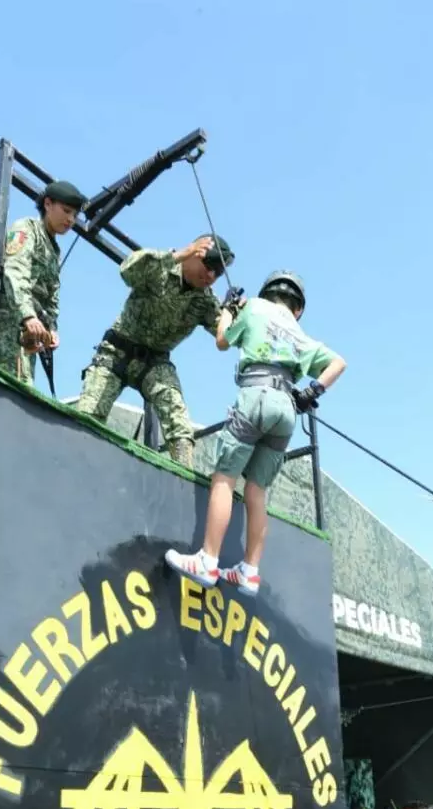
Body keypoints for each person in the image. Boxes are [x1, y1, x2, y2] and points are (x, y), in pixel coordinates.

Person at [164, 271, 346, 597]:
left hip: (256, 396)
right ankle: (249, 572)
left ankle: (208, 560)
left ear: (267, 292)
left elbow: (222, 340)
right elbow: (339, 363)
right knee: (256, 490)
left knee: (224, 477)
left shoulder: (254, 307)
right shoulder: (301, 335)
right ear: (298, 309)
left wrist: (228, 310)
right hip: (287, 409)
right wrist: (312, 391)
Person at [76, 235, 234, 467]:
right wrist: (181, 253)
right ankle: (78, 461)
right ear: (194, 254)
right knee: (89, 414)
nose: (210, 276)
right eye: (208, 266)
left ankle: (183, 477)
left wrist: (233, 313)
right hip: (116, 352)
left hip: (155, 363)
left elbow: (226, 339)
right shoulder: (162, 267)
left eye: (217, 273)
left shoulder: (206, 301)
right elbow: (128, 270)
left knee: (180, 426)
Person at [0, 180, 82, 386]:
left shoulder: (53, 250)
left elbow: (51, 296)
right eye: (66, 211)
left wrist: (51, 328)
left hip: (24, 329)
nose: (71, 219)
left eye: (75, 215)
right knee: (4, 384)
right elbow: (15, 271)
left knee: (21, 384)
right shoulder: (27, 229)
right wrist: (28, 315)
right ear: (48, 204)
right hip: (2, 318)